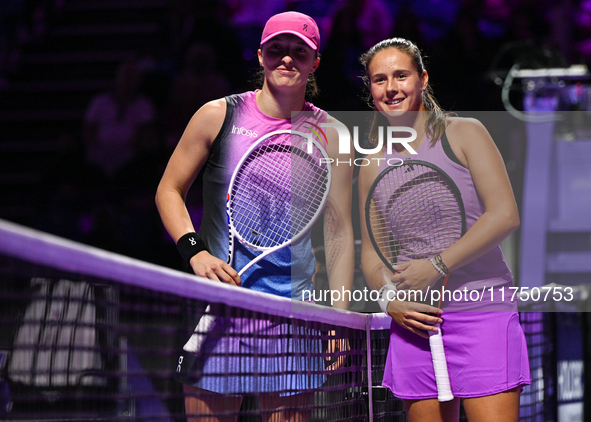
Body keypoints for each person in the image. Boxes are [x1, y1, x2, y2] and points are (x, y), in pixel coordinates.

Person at [155, 12, 355, 422]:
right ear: (260, 54)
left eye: (299, 52)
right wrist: (196, 253)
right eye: (277, 49)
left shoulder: (332, 134)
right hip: (219, 308)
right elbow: (168, 190)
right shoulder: (218, 115)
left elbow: (338, 231)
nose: (287, 59)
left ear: (314, 63)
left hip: (293, 314)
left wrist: (339, 313)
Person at [357, 38, 531, 422]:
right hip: (414, 321)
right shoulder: (370, 164)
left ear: (422, 79)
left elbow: (504, 215)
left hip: (481, 312)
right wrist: (390, 301)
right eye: (379, 79)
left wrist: (436, 264)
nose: (391, 88)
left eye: (401, 75)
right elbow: (372, 251)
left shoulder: (465, 133)